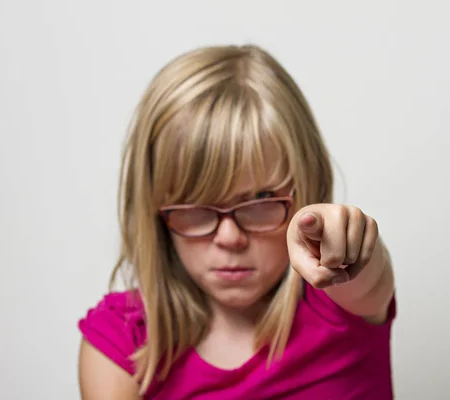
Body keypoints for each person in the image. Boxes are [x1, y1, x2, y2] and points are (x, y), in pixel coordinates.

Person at [77, 44, 396, 400]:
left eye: (261, 201)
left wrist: (338, 235)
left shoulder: (340, 303)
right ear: (155, 210)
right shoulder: (121, 339)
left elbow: (363, 270)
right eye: (194, 205)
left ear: (306, 190)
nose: (229, 238)